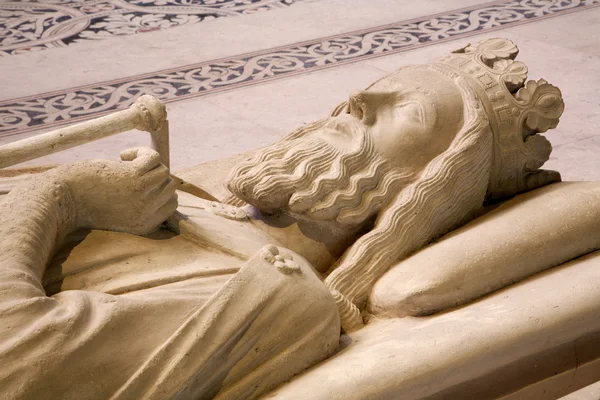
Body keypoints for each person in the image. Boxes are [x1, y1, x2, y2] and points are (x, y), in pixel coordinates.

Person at [0, 38, 564, 399]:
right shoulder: (190, 198)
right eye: (377, 88)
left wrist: (62, 193)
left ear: (432, 186)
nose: (357, 99)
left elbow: (16, 348)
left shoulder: (266, 296)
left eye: (407, 112)